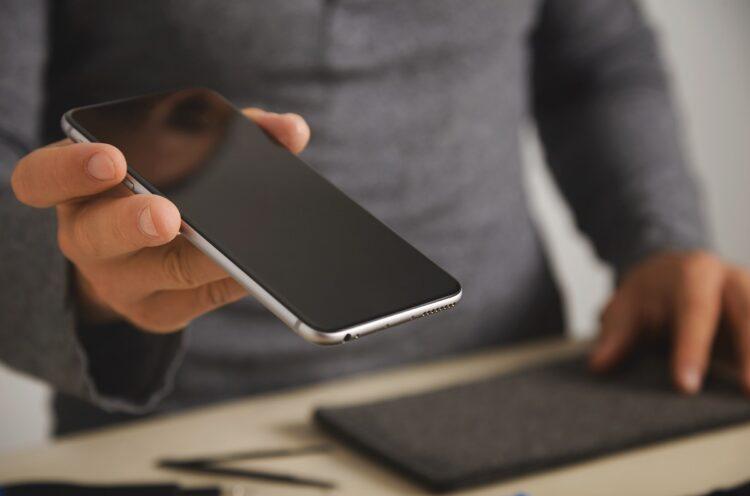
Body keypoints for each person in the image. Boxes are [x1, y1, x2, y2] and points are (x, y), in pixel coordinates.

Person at [2, 1, 749, 436]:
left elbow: (597, 59)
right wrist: (90, 287)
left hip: (510, 390)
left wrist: (660, 240)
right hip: (184, 430)